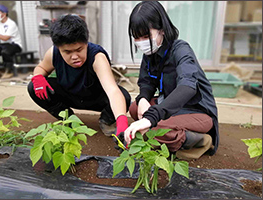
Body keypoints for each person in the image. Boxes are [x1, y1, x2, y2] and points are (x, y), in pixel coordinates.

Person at [123, 1, 218, 160]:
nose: (141, 42)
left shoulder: (181, 50)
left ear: (162, 30)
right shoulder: (151, 54)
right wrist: (143, 99)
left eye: (146, 36)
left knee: (155, 127)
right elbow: (147, 82)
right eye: (137, 37)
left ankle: (200, 140)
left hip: (197, 111)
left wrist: (152, 117)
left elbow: (188, 86)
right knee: (135, 109)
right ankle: (171, 135)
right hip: (172, 107)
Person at [27, 15, 131, 144]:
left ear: (86, 43)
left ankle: (106, 119)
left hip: (96, 98)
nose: (75, 56)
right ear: (59, 48)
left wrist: (122, 123)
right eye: (67, 52)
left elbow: (112, 91)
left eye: (79, 50)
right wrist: (38, 77)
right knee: (33, 87)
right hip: (70, 94)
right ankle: (68, 119)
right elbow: (41, 67)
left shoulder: (97, 57)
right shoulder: (54, 53)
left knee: (124, 97)